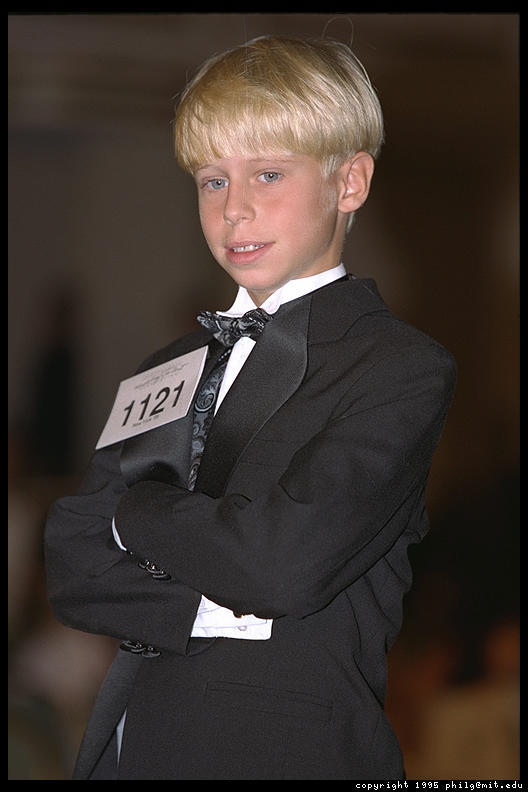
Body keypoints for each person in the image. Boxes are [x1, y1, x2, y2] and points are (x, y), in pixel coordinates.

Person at [44, 34, 456, 780]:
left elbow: (279, 566)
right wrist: (204, 604)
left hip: (283, 754)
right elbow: (73, 560)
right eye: (212, 180)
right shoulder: (166, 367)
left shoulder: (398, 368)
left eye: (268, 174)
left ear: (350, 181)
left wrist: (133, 513)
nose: (234, 209)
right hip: (130, 749)